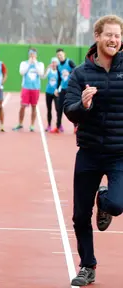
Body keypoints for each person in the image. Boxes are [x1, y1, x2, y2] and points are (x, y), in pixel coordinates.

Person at [63, 14, 123, 286]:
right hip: (88, 152)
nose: (114, 40)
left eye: (118, 36)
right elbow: (69, 111)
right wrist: (83, 106)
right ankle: (88, 266)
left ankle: (105, 199)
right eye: (109, 35)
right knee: (79, 215)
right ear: (97, 37)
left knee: (116, 204)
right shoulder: (80, 73)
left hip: (118, 153)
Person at [12, 48, 44, 132]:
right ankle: (20, 123)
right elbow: (22, 72)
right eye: (30, 54)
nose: (32, 55)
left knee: (34, 106)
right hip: (26, 87)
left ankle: (32, 125)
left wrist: (35, 63)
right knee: (23, 106)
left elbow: (41, 73)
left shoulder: (40, 64)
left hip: (35, 88)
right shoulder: (24, 63)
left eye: (33, 54)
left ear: (36, 55)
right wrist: (29, 63)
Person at [52, 48, 77, 133]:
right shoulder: (58, 66)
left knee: (72, 109)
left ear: (64, 54)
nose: (60, 56)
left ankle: (76, 127)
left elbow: (76, 70)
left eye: (61, 54)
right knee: (59, 109)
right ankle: (58, 127)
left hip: (70, 89)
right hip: (62, 89)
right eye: (58, 55)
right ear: (57, 56)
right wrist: (56, 88)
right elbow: (59, 79)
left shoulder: (69, 62)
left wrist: (69, 73)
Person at [42, 57, 59, 132]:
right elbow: (43, 77)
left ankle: (59, 125)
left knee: (58, 109)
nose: (54, 64)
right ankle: (49, 125)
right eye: (53, 62)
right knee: (49, 109)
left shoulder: (59, 71)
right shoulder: (49, 70)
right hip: (48, 92)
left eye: (55, 62)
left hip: (56, 93)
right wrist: (46, 68)